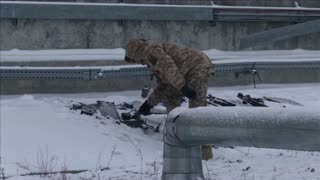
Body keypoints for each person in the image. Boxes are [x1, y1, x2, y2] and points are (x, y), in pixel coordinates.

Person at [124, 39, 214, 160]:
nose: (137, 63)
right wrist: (149, 103)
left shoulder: (150, 52)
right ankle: (177, 133)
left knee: (197, 110)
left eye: (134, 59)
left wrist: (183, 87)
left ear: (135, 53)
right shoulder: (149, 56)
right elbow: (165, 84)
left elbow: (169, 68)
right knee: (170, 96)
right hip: (184, 71)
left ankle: (204, 154)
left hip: (197, 67)